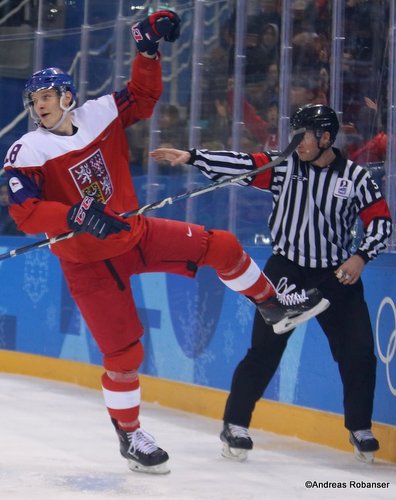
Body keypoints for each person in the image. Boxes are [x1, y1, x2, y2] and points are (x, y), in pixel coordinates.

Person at [2, 12, 326, 475]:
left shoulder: (98, 114)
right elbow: (24, 210)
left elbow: (144, 95)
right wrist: (71, 214)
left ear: (68, 95)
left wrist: (148, 51)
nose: (40, 105)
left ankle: (272, 305)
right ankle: (130, 434)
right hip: (89, 262)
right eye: (34, 100)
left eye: (48, 96)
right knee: (125, 355)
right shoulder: (27, 150)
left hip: (134, 232)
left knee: (225, 246)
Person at [150, 103, 393, 464]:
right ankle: (235, 424)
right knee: (264, 350)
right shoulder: (285, 166)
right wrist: (192, 157)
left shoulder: (356, 178)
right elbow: (243, 165)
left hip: (335, 273)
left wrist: (360, 257)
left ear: (326, 137)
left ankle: (359, 428)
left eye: (304, 134)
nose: (296, 141)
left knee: (357, 353)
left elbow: (381, 224)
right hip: (287, 270)